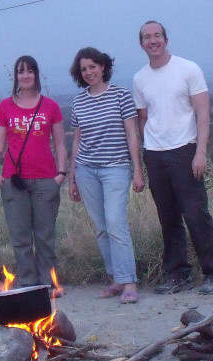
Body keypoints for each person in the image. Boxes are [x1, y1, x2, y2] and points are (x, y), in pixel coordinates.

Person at [133, 21, 213, 295]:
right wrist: (147, 151)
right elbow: (143, 119)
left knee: (196, 214)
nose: (153, 41)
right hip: (155, 154)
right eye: (147, 37)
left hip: (185, 150)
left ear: (166, 39)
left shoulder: (188, 69)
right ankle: (177, 274)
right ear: (141, 44)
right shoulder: (140, 78)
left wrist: (200, 152)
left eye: (157, 36)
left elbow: (203, 114)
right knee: (168, 217)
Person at [68, 47, 144, 304]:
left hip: (116, 168)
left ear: (103, 66)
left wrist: (137, 170)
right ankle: (117, 279)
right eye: (84, 69)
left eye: (93, 66)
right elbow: (77, 141)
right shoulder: (79, 101)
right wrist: (72, 177)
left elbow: (132, 134)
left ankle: (130, 281)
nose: (89, 72)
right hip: (86, 169)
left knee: (115, 223)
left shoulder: (121, 95)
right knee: (101, 228)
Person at [0, 55, 67, 295]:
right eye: (21, 72)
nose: (25, 76)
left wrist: (61, 174)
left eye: (30, 71)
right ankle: (28, 284)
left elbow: (60, 143)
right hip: (14, 180)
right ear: (16, 76)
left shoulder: (50, 106)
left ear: (36, 75)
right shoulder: (6, 106)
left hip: (46, 179)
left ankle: (49, 282)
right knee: (20, 236)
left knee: (45, 235)